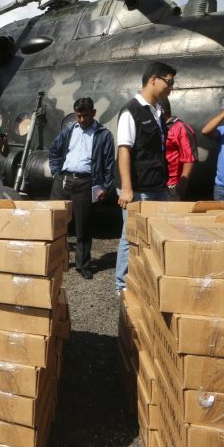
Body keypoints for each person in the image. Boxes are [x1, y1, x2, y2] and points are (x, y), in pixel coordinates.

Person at [114, 61, 176, 294]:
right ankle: (122, 285)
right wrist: (127, 188)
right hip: (138, 188)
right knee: (130, 236)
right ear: (153, 79)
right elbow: (124, 150)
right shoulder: (131, 111)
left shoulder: (157, 111)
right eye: (169, 82)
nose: (171, 87)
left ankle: (147, 279)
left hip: (157, 185)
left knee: (155, 235)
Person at [48, 97, 115, 280]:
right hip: (63, 181)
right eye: (78, 116)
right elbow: (54, 150)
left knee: (83, 227)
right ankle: (57, 260)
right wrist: (56, 173)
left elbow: (109, 164)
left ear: (93, 113)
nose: (82, 119)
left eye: (85, 115)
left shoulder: (103, 134)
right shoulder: (69, 130)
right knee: (55, 224)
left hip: (85, 184)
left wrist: (105, 187)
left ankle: (83, 265)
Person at [159, 98, 198, 200]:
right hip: (157, 184)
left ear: (162, 110)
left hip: (173, 186)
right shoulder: (158, 126)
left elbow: (189, 158)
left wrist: (182, 184)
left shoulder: (180, 127)